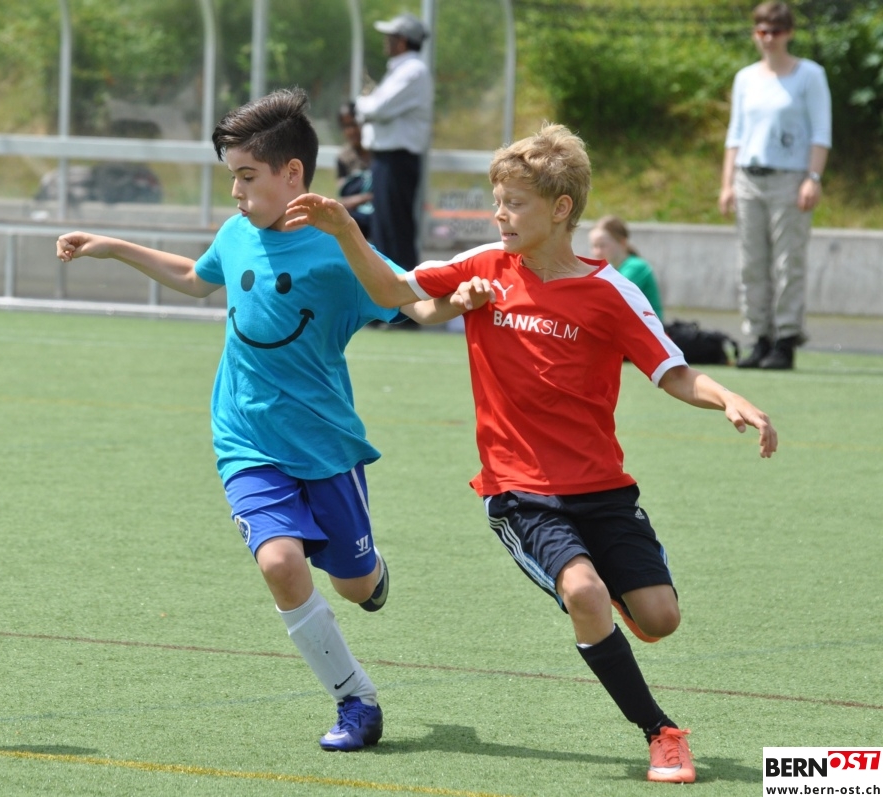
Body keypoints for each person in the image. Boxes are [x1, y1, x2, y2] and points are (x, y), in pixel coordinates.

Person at [285, 122, 778, 784]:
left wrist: (727, 398)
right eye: (498, 201)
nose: (500, 214)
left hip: (602, 489)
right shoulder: (484, 266)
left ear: (561, 208)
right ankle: (660, 732)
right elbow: (393, 291)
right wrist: (347, 229)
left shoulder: (611, 293)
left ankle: (603, 600)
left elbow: (674, 371)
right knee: (584, 591)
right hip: (519, 491)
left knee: (660, 619)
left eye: (515, 203)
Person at [56, 88, 458, 753]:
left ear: (292, 173)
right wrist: (113, 246)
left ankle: (372, 573)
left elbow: (413, 301)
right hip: (245, 438)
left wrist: (465, 299)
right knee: (279, 561)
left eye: (247, 176)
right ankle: (355, 699)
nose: (236, 192)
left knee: (356, 586)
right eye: (232, 178)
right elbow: (195, 277)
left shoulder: (339, 249)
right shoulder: (236, 233)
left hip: (325, 445)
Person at [719, 1, 832, 370]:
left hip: (790, 178)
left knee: (787, 262)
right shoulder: (746, 78)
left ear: (789, 33)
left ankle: (785, 339)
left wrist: (813, 178)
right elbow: (736, 133)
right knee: (750, 263)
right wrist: (727, 183)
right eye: (762, 31)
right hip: (749, 177)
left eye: (776, 31)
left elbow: (820, 131)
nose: (768, 38)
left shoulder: (809, 75)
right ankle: (759, 337)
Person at [355, 12, 434, 271]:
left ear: (402, 41)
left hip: (397, 161)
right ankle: (392, 287)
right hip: (389, 161)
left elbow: (377, 108)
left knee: (394, 230)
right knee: (385, 228)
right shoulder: (405, 70)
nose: (385, 41)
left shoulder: (412, 71)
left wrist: (361, 104)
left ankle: (404, 288)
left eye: (390, 36)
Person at [588, 215, 663, 318]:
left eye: (602, 245)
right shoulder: (611, 269)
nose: (597, 252)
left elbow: (609, 297)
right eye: (594, 246)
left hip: (647, 327)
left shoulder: (636, 267)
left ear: (622, 242)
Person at [336, 101, 374, 237]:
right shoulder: (344, 158)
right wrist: (367, 197)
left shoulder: (378, 153)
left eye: (354, 124)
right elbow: (343, 200)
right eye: (346, 126)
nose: (352, 131)